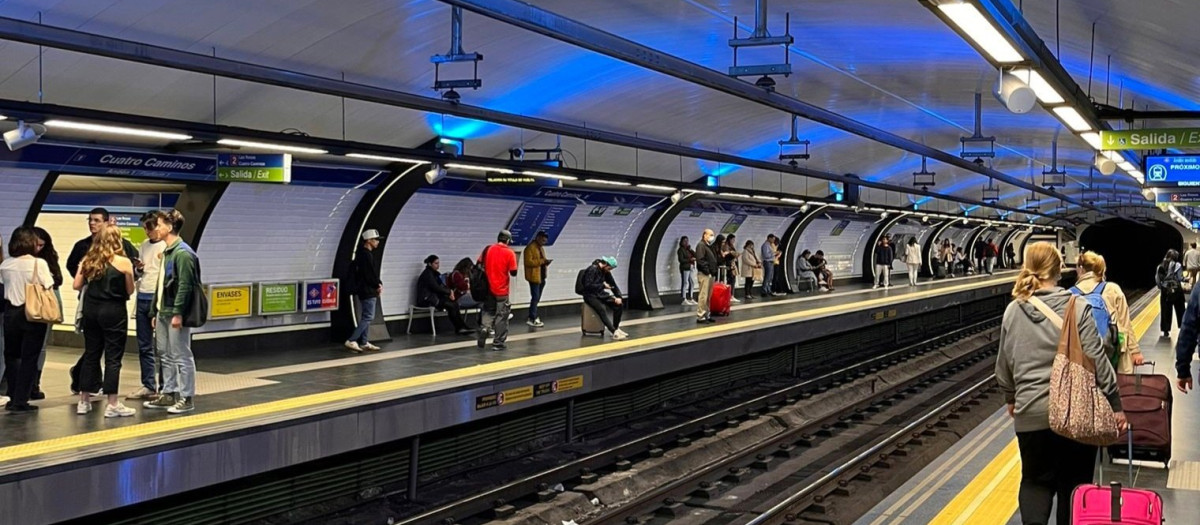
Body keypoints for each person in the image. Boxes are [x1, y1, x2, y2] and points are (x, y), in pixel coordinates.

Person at [996, 242, 1125, 525]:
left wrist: (1011, 397)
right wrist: (1115, 404)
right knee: (1074, 487)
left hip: (1030, 414)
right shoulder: (1076, 307)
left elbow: (1003, 365)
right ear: (1059, 270)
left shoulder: (1013, 310)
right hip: (1073, 413)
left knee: (1033, 482)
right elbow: (1097, 360)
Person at [72, 224, 136, 417]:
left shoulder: (88, 260)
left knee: (91, 354)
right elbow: (130, 290)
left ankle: (83, 401)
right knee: (113, 358)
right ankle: (112, 404)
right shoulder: (123, 262)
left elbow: (76, 285)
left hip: (91, 311)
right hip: (113, 311)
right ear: (117, 240)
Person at [142, 210, 200, 414]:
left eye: (158, 225)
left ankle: (187, 397)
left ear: (169, 226)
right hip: (162, 312)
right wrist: (154, 312)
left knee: (181, 354)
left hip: (174, 313)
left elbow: (185, 286)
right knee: (165, 354)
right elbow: (161, 286)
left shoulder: (183, 253)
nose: (155, 228)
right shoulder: (168, 251)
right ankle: (169, 392)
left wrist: (178, 313)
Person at [1, 227, 54, 412]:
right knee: (29, 357)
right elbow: (48, 284)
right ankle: (21, 400)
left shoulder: (5, 265)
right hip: (32, 313)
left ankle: (13, 395)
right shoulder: (39, 264)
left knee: (12, 356)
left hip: (10, 313)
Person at [1075, 252, 1144, 374]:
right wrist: (1135, 351)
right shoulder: (1112, 289)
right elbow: (1125, 323)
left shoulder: (1070, 294)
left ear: (1080, 268)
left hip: (1082, 357)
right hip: (1112, 353)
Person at [128, 212, 166, 400]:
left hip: (157, 297)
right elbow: (140, 272)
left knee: (162, 345)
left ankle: (166, 385)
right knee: (144, 345)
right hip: (142, 294)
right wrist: (139, 268)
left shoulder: (166, 246)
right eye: (144, 228)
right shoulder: (143, 245)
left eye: (149, 228)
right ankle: (149, 384)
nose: (147, 232)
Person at [29, 227, 63, 401]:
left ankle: (35, 382)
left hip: (44, 303)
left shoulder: (47, 259)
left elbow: (58, 279)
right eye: (36, 245)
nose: (38, 249)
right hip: (31, 303)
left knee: (41, 345)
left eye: (42, 245)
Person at [66, 207, 138, 279]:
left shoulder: (121, 244)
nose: (92, 223)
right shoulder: (81, 245)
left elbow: (135, 262)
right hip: (91, 286)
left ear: (106, 223)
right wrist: (83, 280)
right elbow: (71, 265)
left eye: (97, 220)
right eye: (90, 220)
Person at [477, 230, 519, 351]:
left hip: (488, 288)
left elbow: (479, 262)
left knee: (488, 310)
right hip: (501, 290)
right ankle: (498, 342)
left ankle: (485, 327)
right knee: (502, 315)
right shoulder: (509, 253)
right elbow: (513, 272)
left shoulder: (488, 249)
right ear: (507, 241)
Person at [345, 229, 384, 353]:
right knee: (368, 316)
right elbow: (370, 274)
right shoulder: (366, 255)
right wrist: (378, 284)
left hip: (363, 289)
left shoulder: (361, 254)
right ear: (368, 241)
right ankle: (352, 340)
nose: (378, 242)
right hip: (368, 290)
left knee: (365, 316)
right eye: (376, 240)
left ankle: (364, 342)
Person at [416, 255, 471, 335]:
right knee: (451, 305)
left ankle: (462, 326)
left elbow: (441, 286)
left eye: (438, 263)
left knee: (454, 304)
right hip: (427, 299)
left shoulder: (435, 274)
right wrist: (449, 292)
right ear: (430, 264)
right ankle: (460, 327)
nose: (438, 265)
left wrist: (449, 292)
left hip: (433, 298)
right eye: (436, 263)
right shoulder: (428, 274)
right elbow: (436, 287)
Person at [581, 256, 628, 340]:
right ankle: (614, 332)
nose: (609, 271)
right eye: (609, 269)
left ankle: (616, 328)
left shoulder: (605, 271)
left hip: (600, 294)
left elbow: (613, 285)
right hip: (590, 295)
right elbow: (588, 286)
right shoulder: (592, 269)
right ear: (605, 264)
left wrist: (619, 297)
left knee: (618, 306)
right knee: (602, 309)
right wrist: (603, 285)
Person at [523, 230, 552, 328]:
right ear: (538, 238)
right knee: (535, 297)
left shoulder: (540, 248)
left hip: (541, 277)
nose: (544, 242)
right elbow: (528, 262)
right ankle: (532, 317)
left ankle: (532, 316)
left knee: (537, 298)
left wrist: (545, 262)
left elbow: (541, 260)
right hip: (534, 277)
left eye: (545, 241)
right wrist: (542, 261)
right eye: (543, 240)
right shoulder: (530, 248)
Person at [1157, 249, 1185, 338]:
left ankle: (1165, 330)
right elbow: (1180, 278)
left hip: (1165, 291)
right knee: (1180, 309)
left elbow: (1157, 280)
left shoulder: (1160, 265)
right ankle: (1182, 328)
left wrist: (1162, 287)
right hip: (1176, 290)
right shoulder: (1177, 265)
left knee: (1165, 310)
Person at [694, 229, 719, 324]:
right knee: (703, 295)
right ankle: (700, 315)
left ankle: (707, 314)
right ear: (704, 235)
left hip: (710, 274)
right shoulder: (701, 245)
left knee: (708, 296)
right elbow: (700, 260)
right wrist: (707, 271)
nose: (712, 237)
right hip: (705, 274)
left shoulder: (708, 246)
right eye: (710, 235)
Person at [677, 236, 696, 305]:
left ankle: (691, 297)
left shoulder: (688, 250)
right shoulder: (680, 250)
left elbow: (695, 255)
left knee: (692, 282)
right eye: (684, 241)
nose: (686, 242)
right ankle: (683, 298)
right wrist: (690, 260)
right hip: (685, 268)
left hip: (691, 267)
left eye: (687, 241)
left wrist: (690, 249)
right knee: (685, 282)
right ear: (681, 242)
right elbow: (681, 260)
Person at [722, 234, 740, 302]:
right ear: (729, 239)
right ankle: (730, 295)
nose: (734, 241)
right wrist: (733, 254)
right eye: (733, 240)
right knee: (730, 280)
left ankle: (731, 295)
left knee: (733, 280)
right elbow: (727, 254)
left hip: (733, 264)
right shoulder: (726, 246)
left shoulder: (731, 246)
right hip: (729, 265)